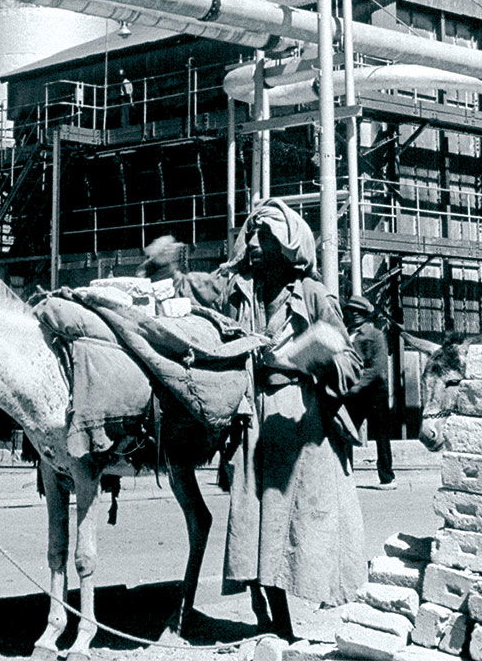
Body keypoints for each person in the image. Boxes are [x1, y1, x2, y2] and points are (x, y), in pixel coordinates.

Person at [139, 202, 367, 639]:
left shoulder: (315, 295)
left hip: (299, 418)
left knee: (295, 519)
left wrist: (309, 359)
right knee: (253, 514)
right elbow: (195, 290)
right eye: (254, 236)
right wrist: (169, 268)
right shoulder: (238, 285)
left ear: (288, 246)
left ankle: (288, 619)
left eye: (266, 238)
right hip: (251, 413)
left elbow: (349, 362)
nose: (256, 245)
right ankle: (270, 615)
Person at [344, 295, 396, 488]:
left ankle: (387, 477)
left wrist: (357, 385)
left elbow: (377, 366)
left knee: (381, 436)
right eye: (352, 311)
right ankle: (346, 474)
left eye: (360, 312)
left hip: (374, 390)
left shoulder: (375, 334)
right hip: (353, 392)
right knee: (346, 432)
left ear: (366, 314)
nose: (355, 315)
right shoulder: (347, 334)